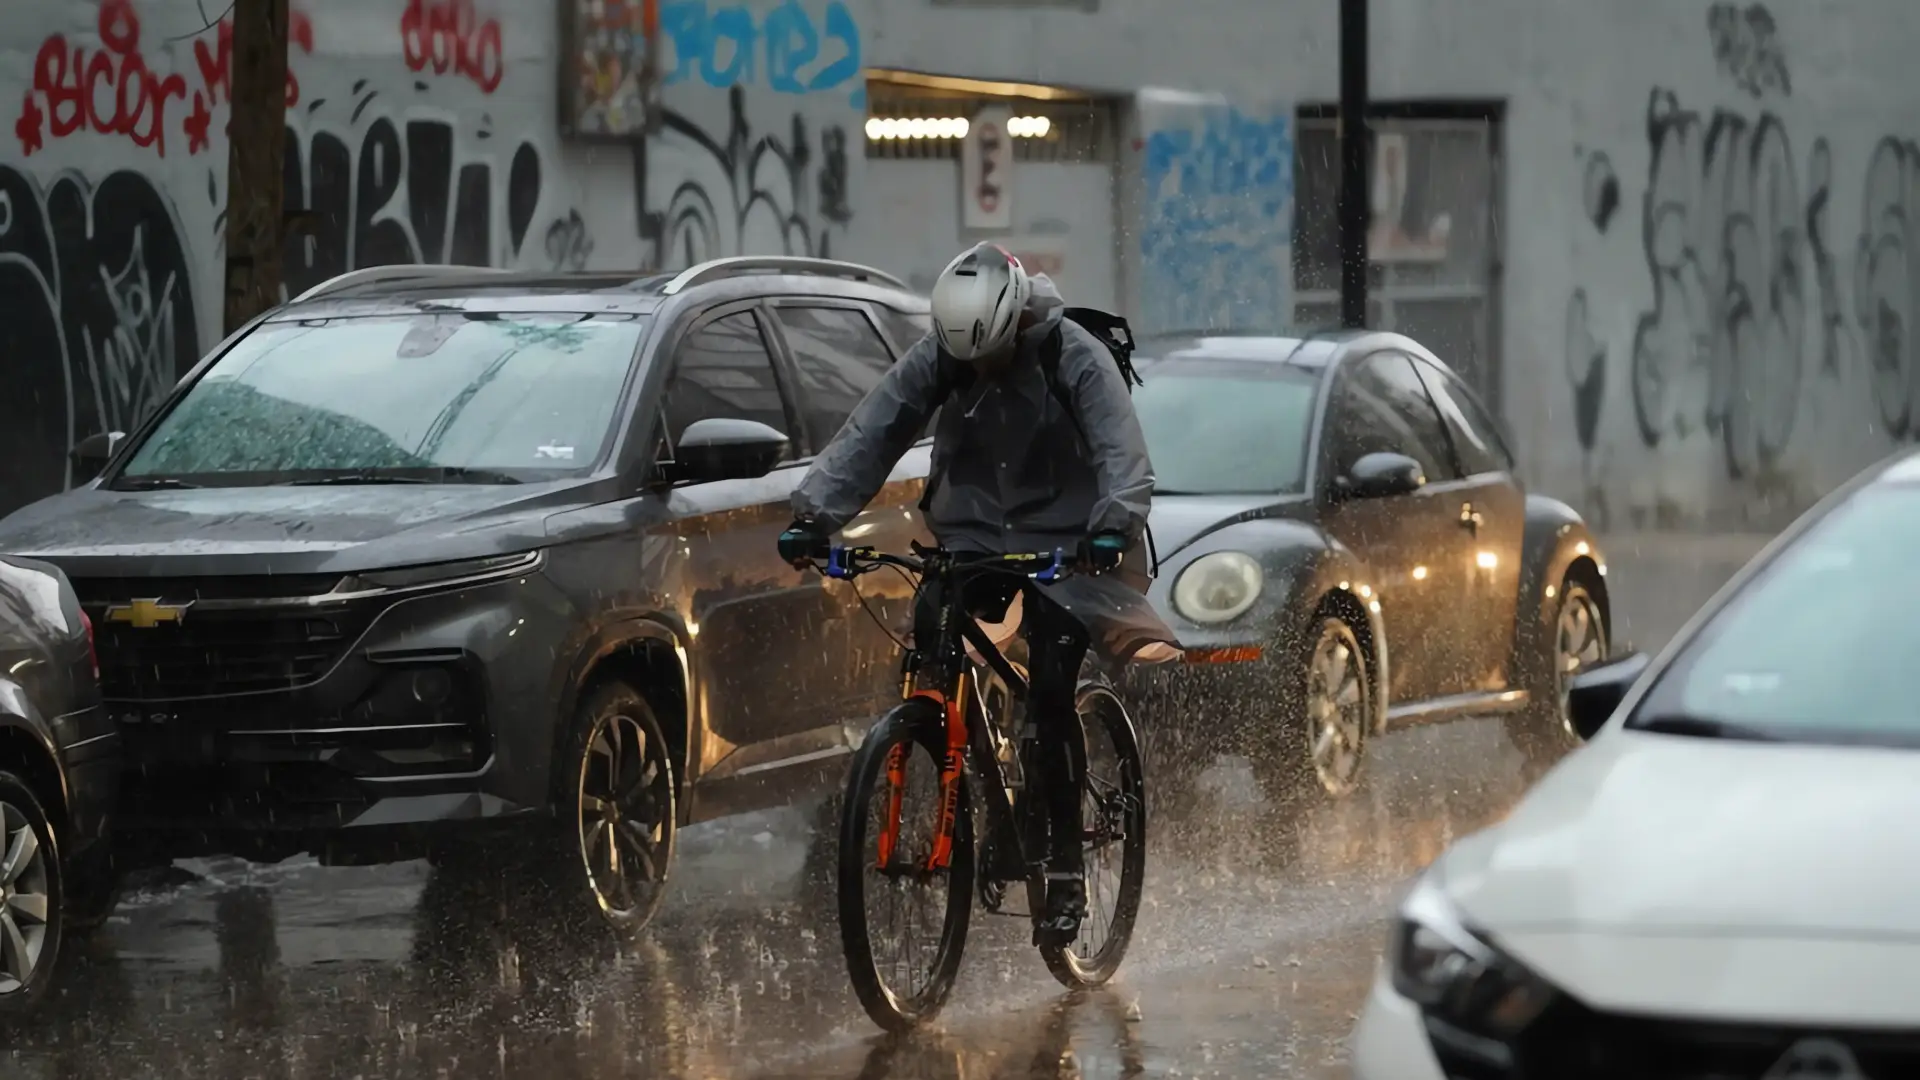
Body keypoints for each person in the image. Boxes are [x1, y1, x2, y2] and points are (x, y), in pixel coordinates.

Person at [777, 242, 1178, 947]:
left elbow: (1123, 451)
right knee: (933, 634)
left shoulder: (1071, 354)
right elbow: (876, 428)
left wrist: (1112, 527)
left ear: (1017, 321)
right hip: (971, 539)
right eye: (965, 362)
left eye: (989, 357)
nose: (977, 372)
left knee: (1051, 688)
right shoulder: (943, 355)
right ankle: (962, 768)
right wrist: (814, 514)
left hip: (1072, 544)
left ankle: (1062, 869)